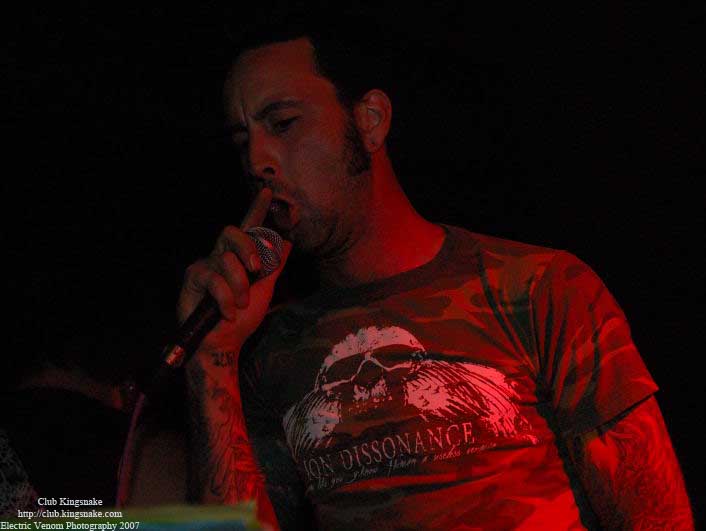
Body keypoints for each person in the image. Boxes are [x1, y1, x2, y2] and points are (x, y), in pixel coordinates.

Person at [178, 19, 694, 530]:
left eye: (284, 123)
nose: (257, 160)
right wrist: (212, 360)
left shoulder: (539, 288)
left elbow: (657, 518)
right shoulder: (272, 349)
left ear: (370, 121)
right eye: (242, 141)